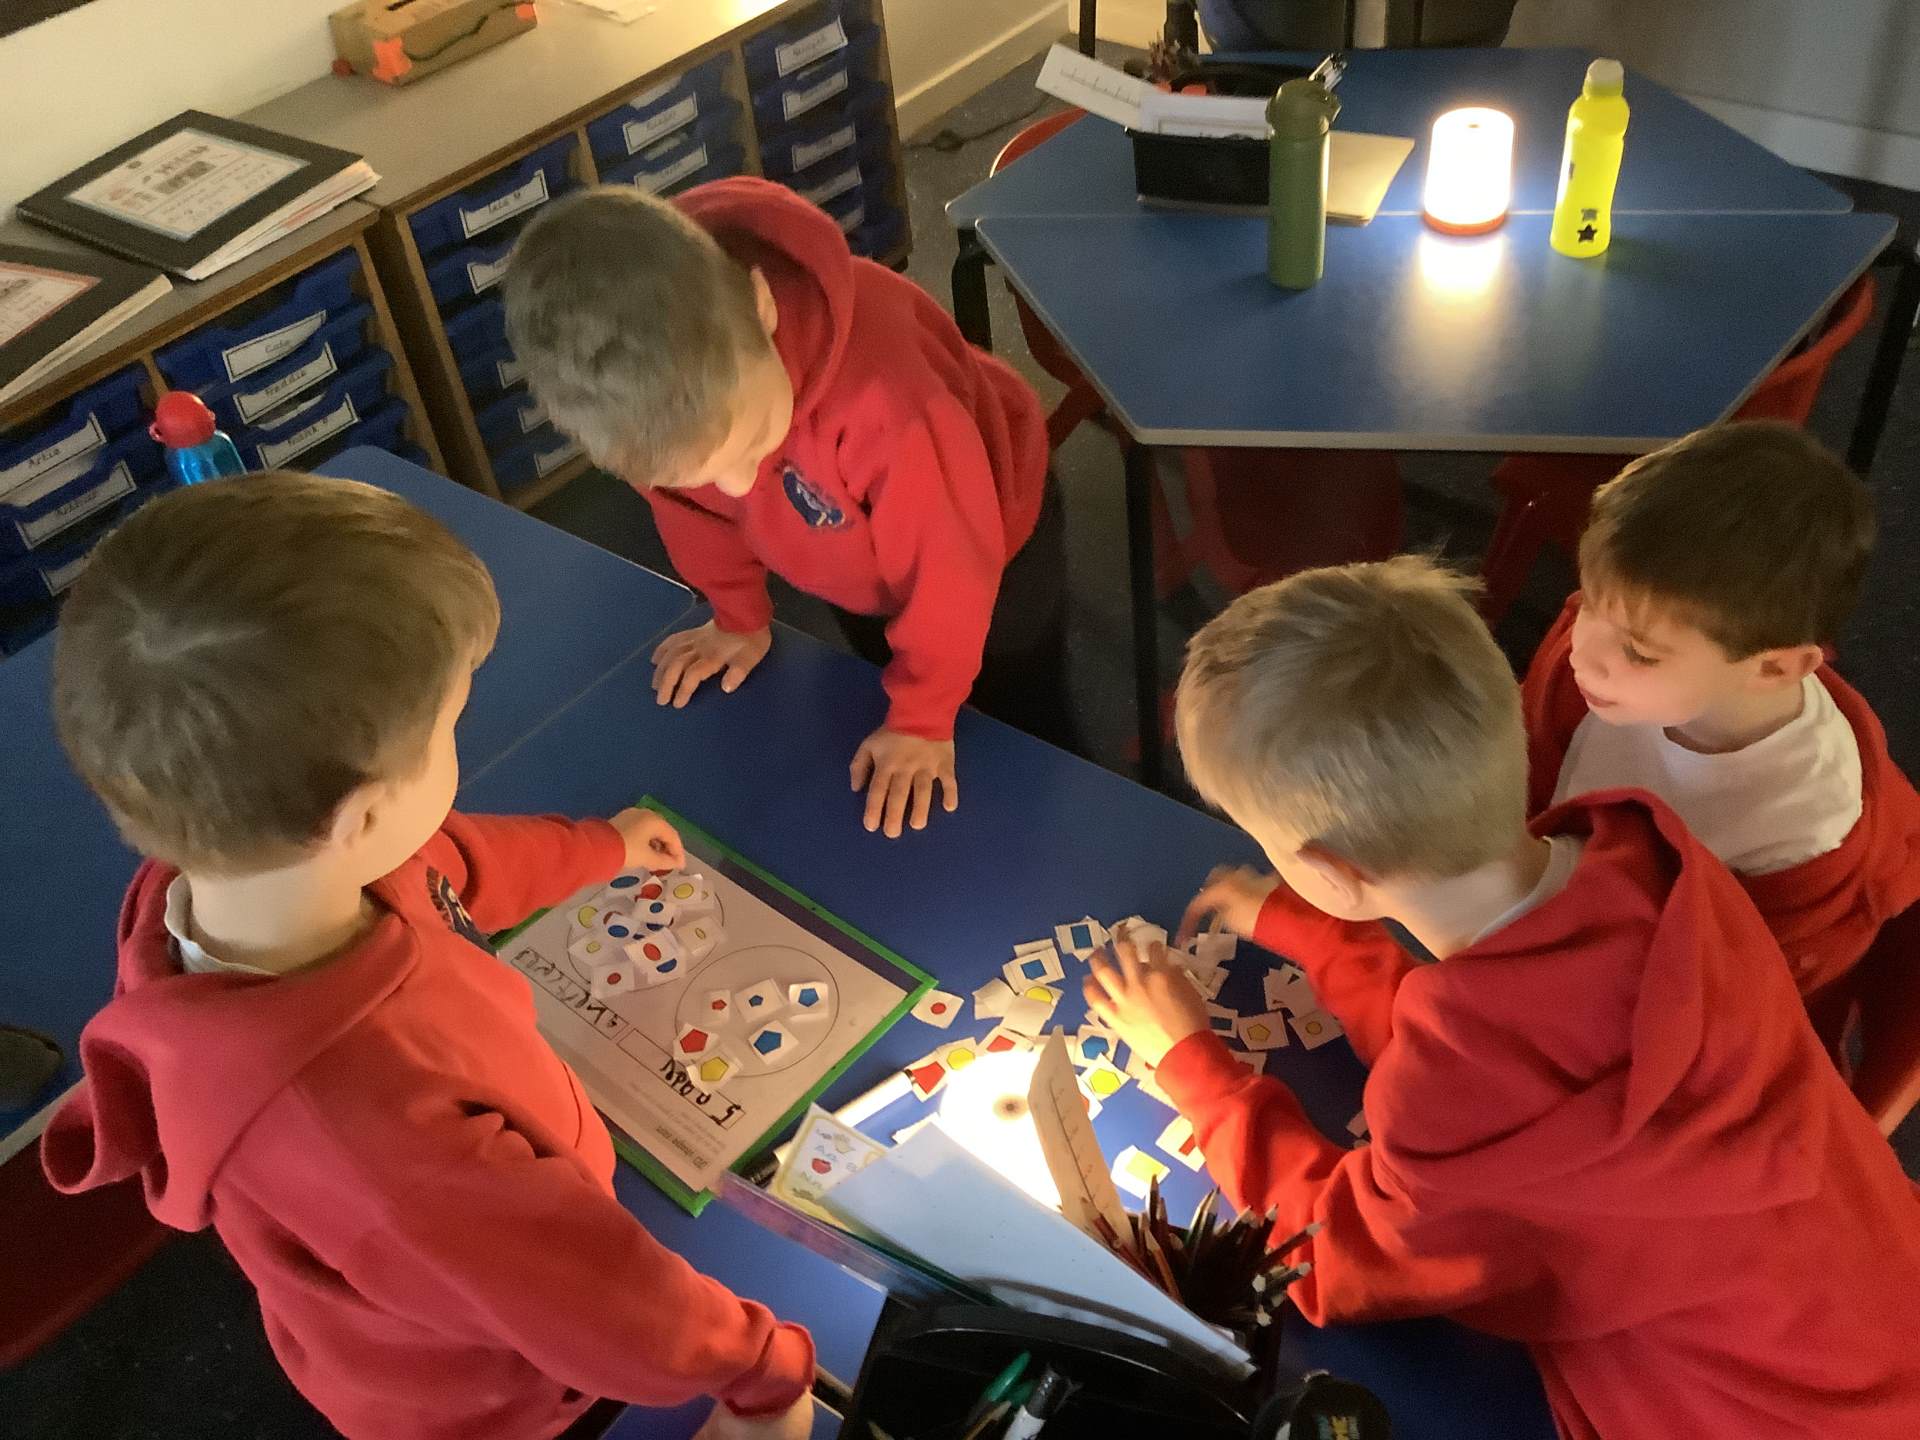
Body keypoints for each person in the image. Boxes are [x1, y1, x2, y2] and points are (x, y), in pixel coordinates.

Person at [40, 475, 815, 1440]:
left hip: (445, 1266)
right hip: (490, 1392)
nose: (457, 749)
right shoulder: (381, 1143)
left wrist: (598, 850)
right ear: (362, 816)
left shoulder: (235, 874)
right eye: (450, 728)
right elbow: (609, 1310)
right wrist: (764, 1371)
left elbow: (450, 866)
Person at [1087, 556, 1920, 1438]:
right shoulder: (1657, 859)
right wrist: (1321, 936)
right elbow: (1511, 1029)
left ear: (1331, 872)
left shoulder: (1451, 1098)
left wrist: (1194, 1065)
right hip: (1879, 1293)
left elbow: (1328, 1262)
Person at [503, 179, 1068, 840]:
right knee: (891, 672)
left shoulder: (891, 402)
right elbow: (696, 518)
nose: (741, 486)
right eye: (705, 476)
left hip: (992, 538)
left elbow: (950, 568)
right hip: (854, 556)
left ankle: (1050, 817)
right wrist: (738, 617)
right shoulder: (653, 417)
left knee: (1021, 723)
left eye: (752, 446)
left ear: (763, 304)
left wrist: (921, 717)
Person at [1524, 421, 1920, 1061]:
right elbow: (1526, 772)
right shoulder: (1612, 643)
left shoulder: (1802, 837)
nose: (1582, 650)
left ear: (1774, 668)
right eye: (1591, 602)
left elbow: (1728, 1004)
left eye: (1640, 653)